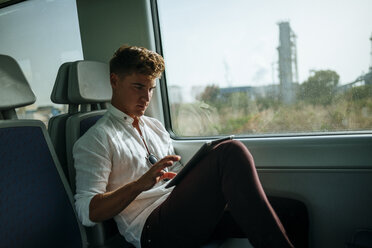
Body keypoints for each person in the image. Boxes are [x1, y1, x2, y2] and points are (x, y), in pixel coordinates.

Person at [73, 45, 294, 248]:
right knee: (231, 151)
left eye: (150, 89)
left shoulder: (155, 126)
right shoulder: (96, 138)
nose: (145, 97)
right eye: (138, 87)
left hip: (183, 209)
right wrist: (139, 185)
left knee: (293, 213)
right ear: (114, 81)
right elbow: (86, 211)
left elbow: (175, 179)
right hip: (153, 228)